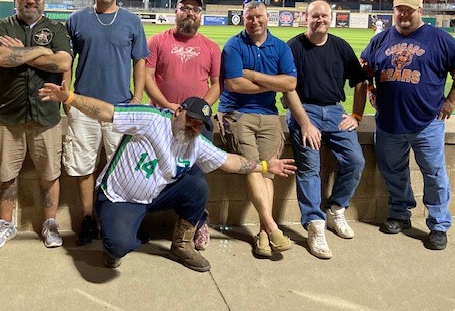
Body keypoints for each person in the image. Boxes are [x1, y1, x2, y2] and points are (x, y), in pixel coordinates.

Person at [38, 83, 297, 271]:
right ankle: (122, 234)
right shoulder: (151, 119)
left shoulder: (195, 142)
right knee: (118, 247)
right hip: (120, 197)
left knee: (197, 186)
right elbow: (106, 112)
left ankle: (181, 246)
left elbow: (229, 161)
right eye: (192, 120)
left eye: (200, 126)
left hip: (153, 195)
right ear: (178, 112)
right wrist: (70, 97)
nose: (194, 128)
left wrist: (264, 167)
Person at [360, 0, 455, 251]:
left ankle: (438, 225)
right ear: (393, 11)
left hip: (427, 122)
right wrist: (370, 89)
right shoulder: (380, 40)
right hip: (388, 122)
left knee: (434, 174)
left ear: (420, 11)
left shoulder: (440, 38)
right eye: (399, 9)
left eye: (409, 10)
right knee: (393, 172)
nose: (404, 14)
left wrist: (451, 102)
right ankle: (399, 213)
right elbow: (364, 69)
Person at [0, 0, 73, 250]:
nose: (31, 0)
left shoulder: (55, 28)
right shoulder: (1, 26)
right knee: (6, 174)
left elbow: (63, 62)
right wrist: (41, 52)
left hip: (47, 116)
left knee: (50, 175)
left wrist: (20, 52)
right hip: (9, 116)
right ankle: (5, 224)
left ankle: (49, 223)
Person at [63, 0, 149, 246]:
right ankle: (89, 220)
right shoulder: (77, 19)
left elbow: (140, 61)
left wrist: (137, 98)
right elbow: (67, 61)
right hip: (84, 106)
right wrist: (67, 97)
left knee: (123, 167)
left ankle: (122, 221)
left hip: (120, 107)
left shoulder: (131, 21)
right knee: (84, 167)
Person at [283, 0, 367, 260]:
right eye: (314, 16)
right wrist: (305, 123)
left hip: (334, 111)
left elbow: (360, 81)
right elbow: (287, 90)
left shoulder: (340, 46)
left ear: (331, 18)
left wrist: (357, 115)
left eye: (324, 16)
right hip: (304, 109)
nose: (320, 20)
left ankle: (336, 208)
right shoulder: (294, 47)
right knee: (309, 166)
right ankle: (314, 224)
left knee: (355, 160)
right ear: (305, 18)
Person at [216, 0, 297, 258]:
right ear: (243, 18)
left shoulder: (280, 47)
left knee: (268, 170)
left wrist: (254, 76)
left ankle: (263, 232)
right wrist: (274, 82)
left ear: (267, 17)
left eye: (258, 16)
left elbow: (291, 84)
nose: (254, 21)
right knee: (254, 164)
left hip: (269, 114)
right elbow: (235, 85)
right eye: (249, 17)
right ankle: (272, 227)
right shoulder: (233, 46)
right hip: (236, 113)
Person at [145, 0, 221, 250]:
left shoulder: (211, 47)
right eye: (185, 7)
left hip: (197, 122)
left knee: (196, 175)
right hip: (162, 119)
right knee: (152, 171)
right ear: (175, 11)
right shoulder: (157, 41)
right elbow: (147, 78)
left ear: (201, 15)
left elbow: (216, 84)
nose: (190, 12)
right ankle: (141, 219)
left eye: (195, 9)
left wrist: (199, 110)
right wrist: (167, 106)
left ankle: (197, 223)